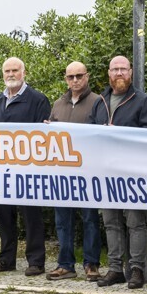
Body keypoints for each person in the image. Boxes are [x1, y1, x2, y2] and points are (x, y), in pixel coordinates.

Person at [89, 55, 147, 289]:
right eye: (115, 69)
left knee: (135, 222)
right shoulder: (100, 101)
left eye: (123, 69)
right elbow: (88, 134)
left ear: (131, 72)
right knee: (111, 222)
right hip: (106, 173)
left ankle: (137, 269)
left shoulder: (142, 100)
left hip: (133, 173)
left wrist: (119, 132)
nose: (119, 73)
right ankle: (115, 268)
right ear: (108, 73)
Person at [0, 57, 51, 276]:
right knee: (4, 216)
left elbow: (43, 136)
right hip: (2, 169)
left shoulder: (37, 99)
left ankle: (36, 261)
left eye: (15, 70)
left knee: (31, 216)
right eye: (7, 71)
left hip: (28, 169)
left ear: (24, 73)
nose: (11, 74)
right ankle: (6, 259)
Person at [47, 61, 102, 282]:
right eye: (71, 77)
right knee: (63, 221)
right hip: (62, 173)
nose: (75, 80)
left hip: (88, 172)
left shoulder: (98, 102)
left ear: (87, 76)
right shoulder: (58, 104)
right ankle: (65, 265)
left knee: (89, 219)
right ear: (65, 79)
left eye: (79, 75)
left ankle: (91, 264)